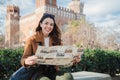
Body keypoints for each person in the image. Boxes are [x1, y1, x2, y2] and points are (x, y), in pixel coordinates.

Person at [9, 13, 80, 80]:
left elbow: (63, 59)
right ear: (41, 24)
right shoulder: (32, 40)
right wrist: (26, 61)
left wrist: (73, 60)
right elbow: (23, 59)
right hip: (38, 71)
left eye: (51, 24)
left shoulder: (57, 40)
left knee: (67, 77)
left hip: (53, 70)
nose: (49, 26)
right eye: (46, 23)